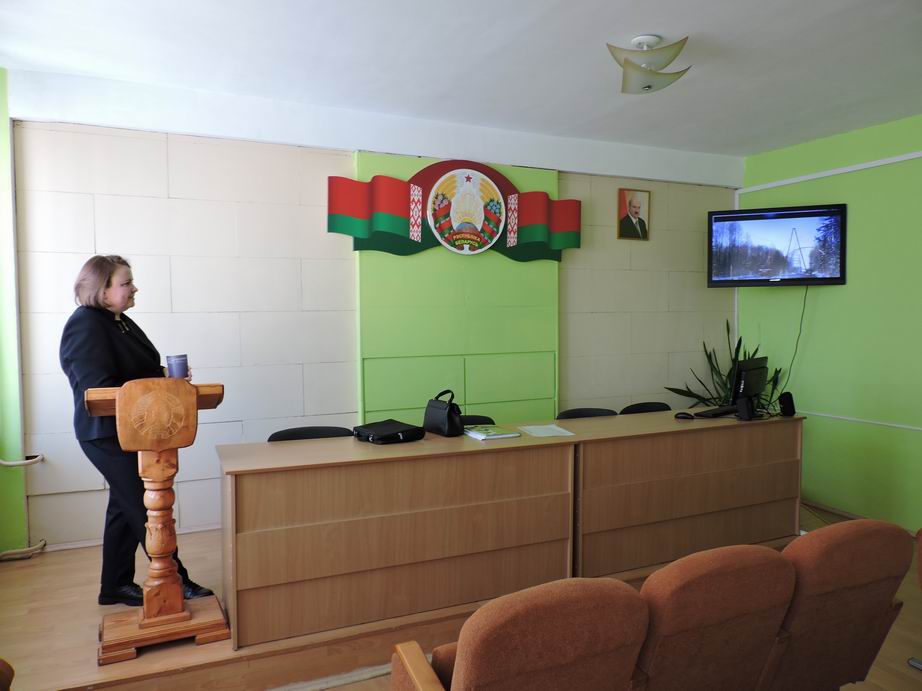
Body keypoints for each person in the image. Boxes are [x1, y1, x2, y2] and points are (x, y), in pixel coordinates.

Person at [59, 255, 212, 606]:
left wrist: (165, 378)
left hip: (133, 429)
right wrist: (155, 382)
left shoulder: (119, 322)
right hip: (106, 432)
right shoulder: (85, 323)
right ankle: (176, 580)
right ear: (102, 288)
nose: (134, 288)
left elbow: (133, 372)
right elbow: (99, 387)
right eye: (126, 282)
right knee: (145, 506)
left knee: (124, 505)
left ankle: (114, 585)